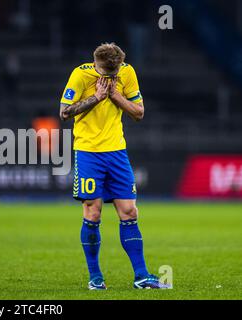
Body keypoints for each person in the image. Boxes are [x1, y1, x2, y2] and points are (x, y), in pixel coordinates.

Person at [59, 43, 167, 290]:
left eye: (114, 73)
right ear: (96, 64)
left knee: (129, 212)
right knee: (93, 213)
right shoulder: (81, 74)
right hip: (88, 152)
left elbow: (139, 113)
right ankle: (95, 277)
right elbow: (64, 113)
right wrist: (96, 98)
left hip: (117, 152)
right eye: (106, 74)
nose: (111, 78)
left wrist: (115, 95)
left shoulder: (127, 72)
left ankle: (141, 276)